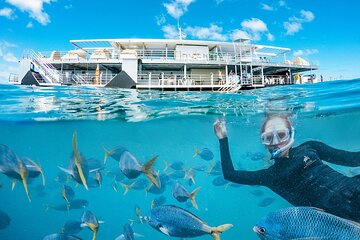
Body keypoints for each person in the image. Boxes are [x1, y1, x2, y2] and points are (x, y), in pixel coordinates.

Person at [214, 115, 360, 222]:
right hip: (339, 219)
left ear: (291, 134)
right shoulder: (270, 176)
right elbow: (230, 174)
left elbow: (353, 160)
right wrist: (223, 138)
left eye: (281, 135)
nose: (276, 142)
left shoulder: (310, 147)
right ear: (264, 142)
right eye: (268, 138)